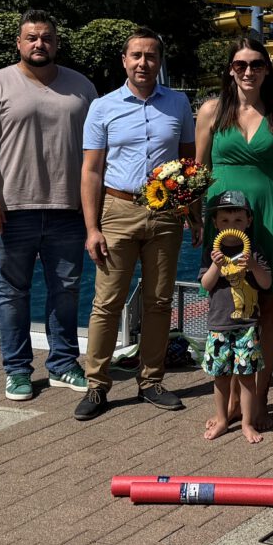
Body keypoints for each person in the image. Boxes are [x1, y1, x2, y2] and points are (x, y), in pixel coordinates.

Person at [0, 10, 97, 402]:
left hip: (68, 210)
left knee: (67, 291)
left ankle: (63, 363)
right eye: (32, 38)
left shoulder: (81, 87)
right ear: (19, 44)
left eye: (47, 38)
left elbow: (98, 148)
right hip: (11, 210)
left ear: (57, 43)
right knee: (12, 294)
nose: (40, 44)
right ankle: (17, 370)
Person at [77, 27, 198, 420]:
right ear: (124, 61)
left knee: (159, 302)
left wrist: (191, 210)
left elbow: (187, 163)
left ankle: (151, 381)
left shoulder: (178, 104)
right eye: (136, 56)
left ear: (159, 62)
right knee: (107, 302)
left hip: (164, 215)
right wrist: (92, 228)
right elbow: (92, 171)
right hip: (119, 209)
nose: (143, 63)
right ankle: (97, 385)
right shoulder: (103, 107)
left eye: (151, 56)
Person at [193, 36, 273, 429]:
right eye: (240, 65)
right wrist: (194, 218)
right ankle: (232, 399)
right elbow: (197, 171)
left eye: (256, 64)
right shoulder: (211, 111)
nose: (248, 71)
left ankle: (260, 397)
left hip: (267, 217)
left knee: (265, 308)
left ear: (267, 69)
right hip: (224, 220)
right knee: (227, 308)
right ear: (230, 70)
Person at [199, 190, 272, 443]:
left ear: (248, 222)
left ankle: (247, 423)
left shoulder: (254, 251)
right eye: (226, 221)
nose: (232, 226)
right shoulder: (212, 251)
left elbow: (266, 283)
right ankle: (221, 418)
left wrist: (253, 265)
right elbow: (206, 285)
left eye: (238, 221)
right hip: (219, 325)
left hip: (247, 326)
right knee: (220, 377)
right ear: (216, 223)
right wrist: (215, 266)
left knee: (247, 377)